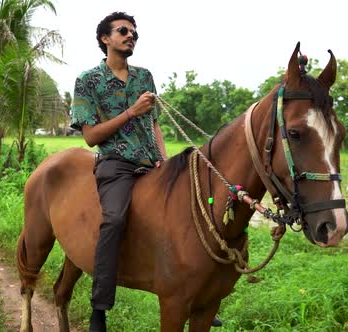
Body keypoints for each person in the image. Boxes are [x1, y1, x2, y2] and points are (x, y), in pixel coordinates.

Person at [70, 11, 221, 331]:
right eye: (123, 31)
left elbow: (154, 125)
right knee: (114, 220)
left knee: (195, 213)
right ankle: (99, 306)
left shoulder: (144, 77)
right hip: (115, 165)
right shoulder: (88, 81)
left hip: (152, 165)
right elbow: (91, 136)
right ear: (105, 39)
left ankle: (199, 292)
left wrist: (164, 162)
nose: (131, 36)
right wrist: (131, 112)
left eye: (134, 33)